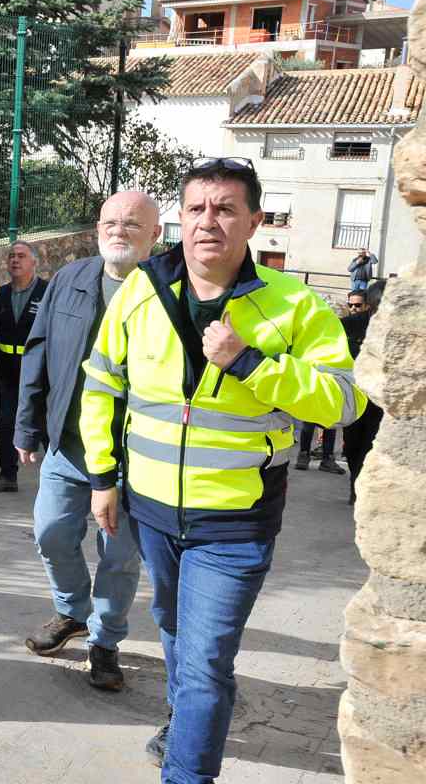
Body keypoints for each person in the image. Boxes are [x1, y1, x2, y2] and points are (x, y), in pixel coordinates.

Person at [81, 157, 366, 782]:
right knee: (179, 638)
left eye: (226, 209)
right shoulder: (142, 288)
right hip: (151, 510)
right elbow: (101, 383)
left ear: (254, 222)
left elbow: (345, 401)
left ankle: (187, 770)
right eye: (198, 209)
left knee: (206, 658)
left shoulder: (292, 303)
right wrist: (103, 477)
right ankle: (186, 727)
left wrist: (251, 362)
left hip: (236, 521)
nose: (209, 221)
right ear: (181, 219)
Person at [13, 191, 157, 691]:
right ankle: (71, 610)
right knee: (51, 533)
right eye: (110, 221)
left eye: (132, 224)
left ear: (155, 235)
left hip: (134, 458)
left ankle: (105, 642)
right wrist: (28, 426)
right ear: (97, 228)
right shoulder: (70, 280)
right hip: (68, 445)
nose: (119, 230)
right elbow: (38, 351)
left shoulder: (168, 291)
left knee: (118, 558)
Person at [0, 240, 47, 493]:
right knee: (5, 424)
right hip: (7, 372)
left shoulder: (47, 292)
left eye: (21, 256)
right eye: (11, 256)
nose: (15, 260)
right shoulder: (3, 293)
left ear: (34, 262)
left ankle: (58, 480)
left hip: (39, 373)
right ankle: (7, 475)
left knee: (44, 426)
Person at [342, 283, 385, 505]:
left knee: (370, 444)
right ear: (369, 306)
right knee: (351, 445)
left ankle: (359, 489)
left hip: (381, 400)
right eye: (378, 307)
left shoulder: (396, 328)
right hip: (355, 394)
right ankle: (354, 480)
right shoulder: (351, 325)